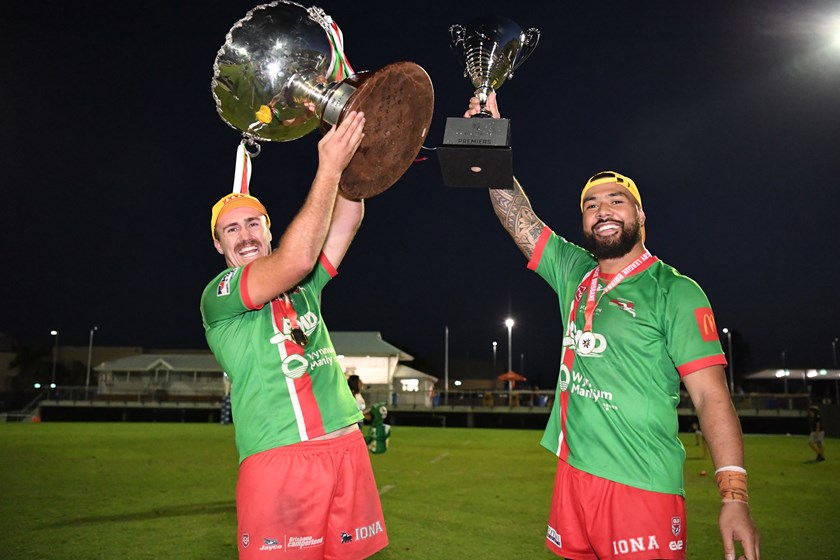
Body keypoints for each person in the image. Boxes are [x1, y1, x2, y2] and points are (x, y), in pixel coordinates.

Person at [466, 93, 759, 560]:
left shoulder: (675, 291)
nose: (603, 210)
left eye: (617, 201)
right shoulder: (573, 270)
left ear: (641, 216)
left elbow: (710, 396)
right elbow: (517, 216)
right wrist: (488, 142)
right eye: (591, 204)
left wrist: (733, 497)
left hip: (640, 484)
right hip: (573, 475)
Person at [200, 111, 388, 559]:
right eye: (231, 229)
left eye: (253, 224)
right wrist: (327, 167)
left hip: (345, 447)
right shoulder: (219, 296)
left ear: (269, 229)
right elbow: (296, 258)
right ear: (218, 245)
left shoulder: (305, 287)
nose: (244, 236)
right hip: (279, 458)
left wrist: (344, 143)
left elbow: (346, 218)